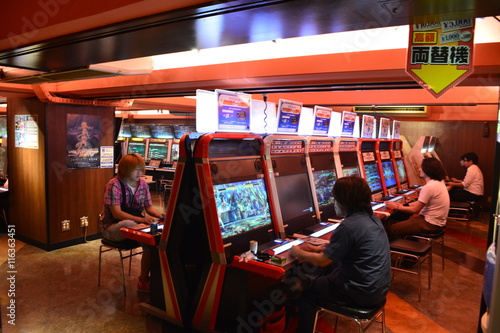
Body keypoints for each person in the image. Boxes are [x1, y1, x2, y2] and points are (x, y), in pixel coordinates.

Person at [290, 176, 391, 333]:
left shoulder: (348, 226)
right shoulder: (372, 218)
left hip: (361, 294)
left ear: (345, 200)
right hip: (378, 290)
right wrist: (316, 249)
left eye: (335, 198)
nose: (334, 202)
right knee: (333, 266)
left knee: (307, 292)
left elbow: (323, 261)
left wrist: (296, 251)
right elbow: (348, 249)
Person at [99, 153, 164, 292]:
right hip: (113, 228)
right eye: (136, 169)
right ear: (126, 169)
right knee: (128, 223)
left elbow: (148, 207)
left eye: (141, 169)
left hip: (136, 227)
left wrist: (159, 215)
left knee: (153, 242)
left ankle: (145, 280)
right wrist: (142, 220)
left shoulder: (143, 185)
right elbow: (117, 213)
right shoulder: (114, 184)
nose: (140, 173)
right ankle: (144, 280)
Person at [385, 157, 449, 239]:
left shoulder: (429, 187)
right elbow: (421, 202)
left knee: (392, 228)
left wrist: (396, 207)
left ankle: (403, 249)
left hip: (429, 223)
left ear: (428, 169)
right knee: (401, 220)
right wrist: (404, 205)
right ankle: (410, 244)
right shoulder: (439, 183)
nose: (419, 169)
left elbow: (415, 210)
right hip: (438, 222)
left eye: (421, 167)